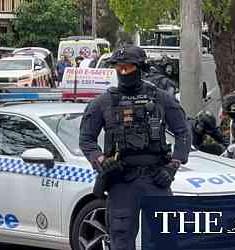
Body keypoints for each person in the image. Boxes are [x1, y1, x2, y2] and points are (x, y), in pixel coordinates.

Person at [79, 45, 190, 250]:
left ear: (140, 68)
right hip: (121, 181)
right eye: (119, 68)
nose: (123, 72)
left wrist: (172, 167)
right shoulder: (102, 103)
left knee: (165, 239)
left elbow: (183, 132)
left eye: (128, 68)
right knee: (120, 240)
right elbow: (86, 139)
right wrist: (102, 161)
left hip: (156, 179)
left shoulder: (161, 98)